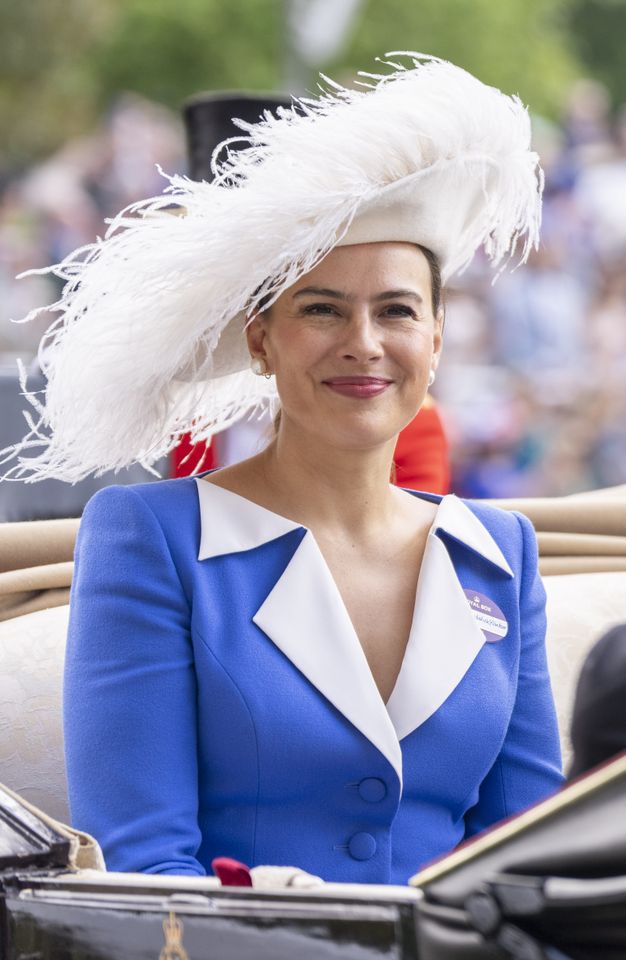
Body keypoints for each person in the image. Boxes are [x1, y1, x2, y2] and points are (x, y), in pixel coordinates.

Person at [5, 54, 562, 884]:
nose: (364, 342)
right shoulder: (150, 537)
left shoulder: (503, 553)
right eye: (321, 309)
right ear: (262, 340)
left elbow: (534, 868)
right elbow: (147, 865)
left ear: (438, 339)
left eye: (398, 310)